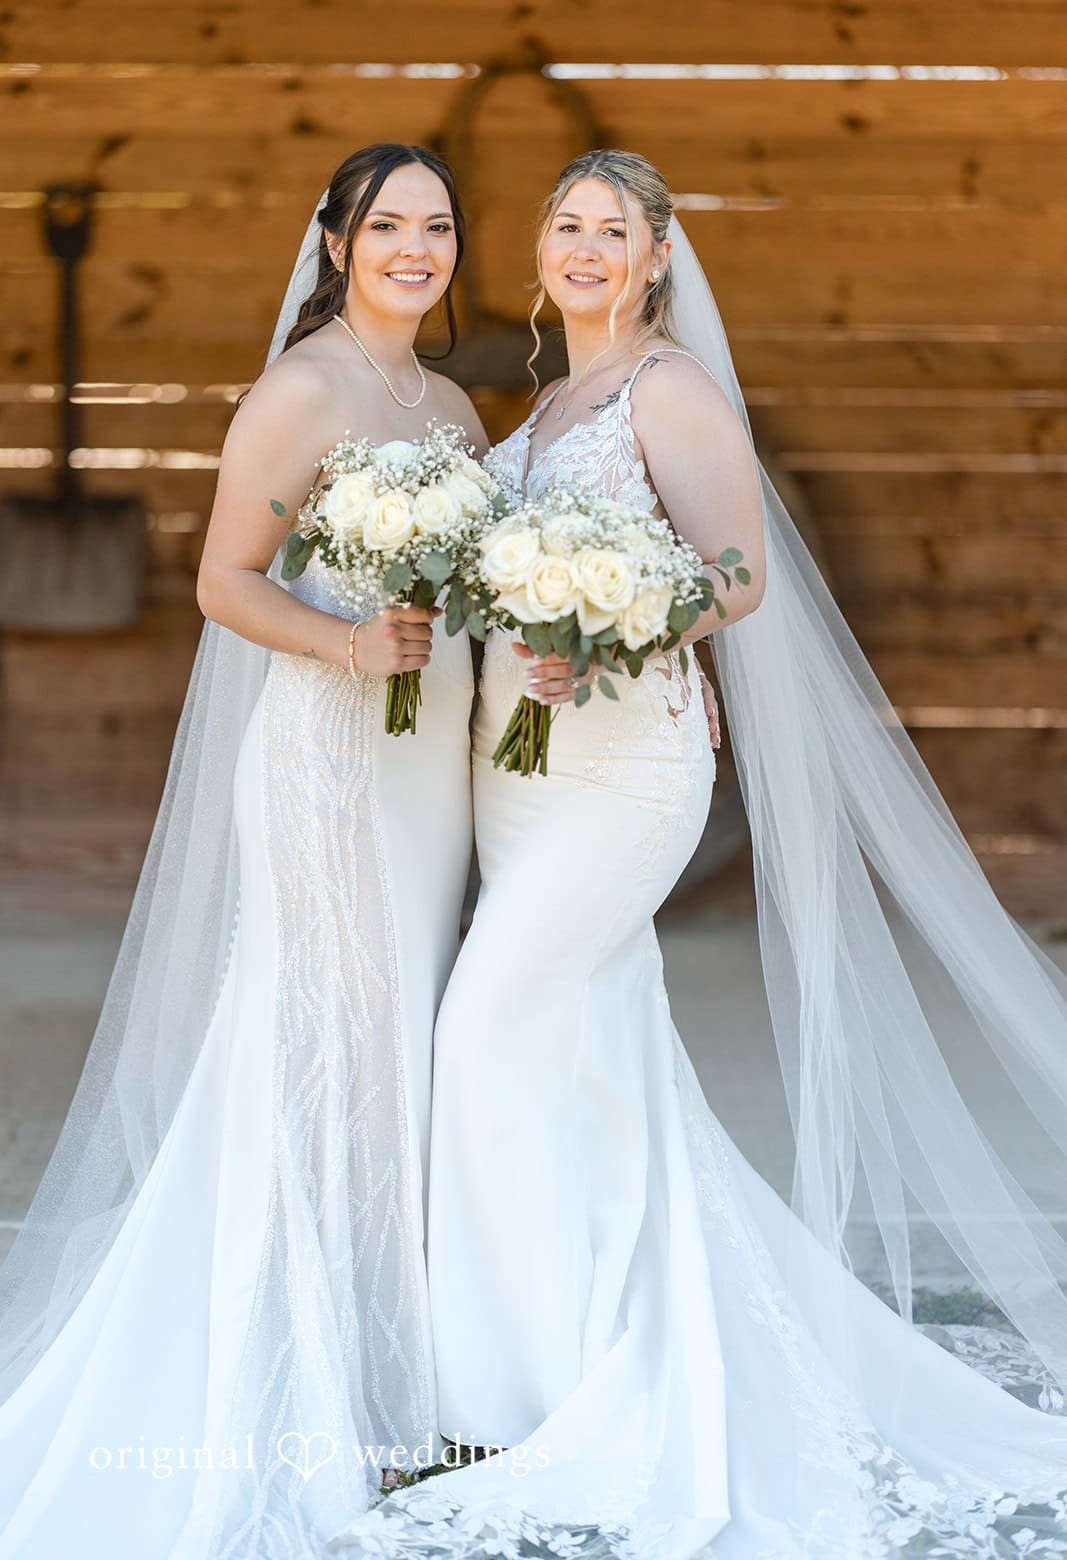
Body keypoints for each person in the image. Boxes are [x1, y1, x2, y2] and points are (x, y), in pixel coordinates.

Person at [330, 150, 1067, 1559]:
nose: (586, 248)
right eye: (567, 226)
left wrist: (613, 621)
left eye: (614, 230)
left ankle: (502, 1398)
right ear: (541, 250)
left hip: (628, 771)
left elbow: (740, 573)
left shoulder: (671, 390)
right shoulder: (545, 404)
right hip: (515, 773)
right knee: (592, 1059)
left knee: (485, 1028)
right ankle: (598, 1349)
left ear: (658, 257)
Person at [0, 143, 486, 1558]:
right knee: (323, 1046)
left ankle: (407, 1363)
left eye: (438, 226)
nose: (415, 246)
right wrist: (348, 639)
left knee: (404, 1047)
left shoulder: (450, 405)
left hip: (427, 768)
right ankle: (307, 1386)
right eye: (387, 223)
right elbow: (225, 582)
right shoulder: (303, 391)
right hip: (328, 759)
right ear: (336, 242)